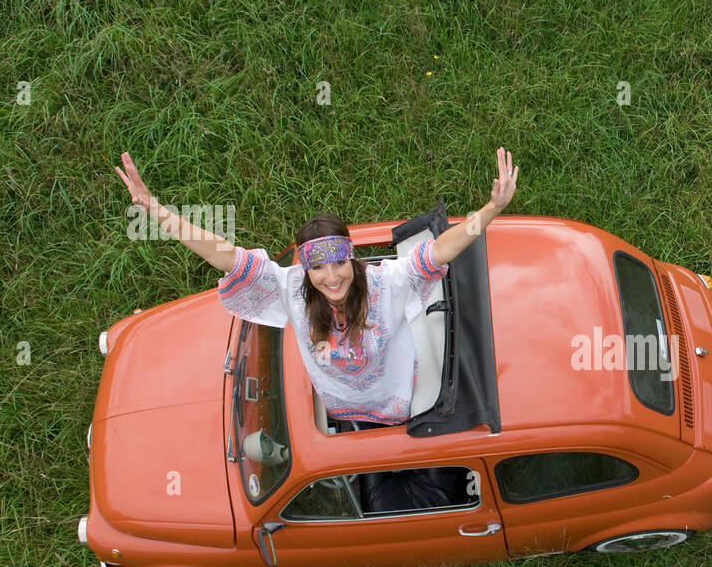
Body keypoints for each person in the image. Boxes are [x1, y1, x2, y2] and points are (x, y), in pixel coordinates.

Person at [114, 146, 519, 427]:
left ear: (353, 258)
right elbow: (223, 254)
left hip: (394, 394)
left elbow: (441, 249)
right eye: (319, 268)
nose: (332, 277)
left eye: (340, 262)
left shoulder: (385, 283)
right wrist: (156, 210)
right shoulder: (289, 288)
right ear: (304, 271)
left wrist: (492, 209)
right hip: (337, 400)